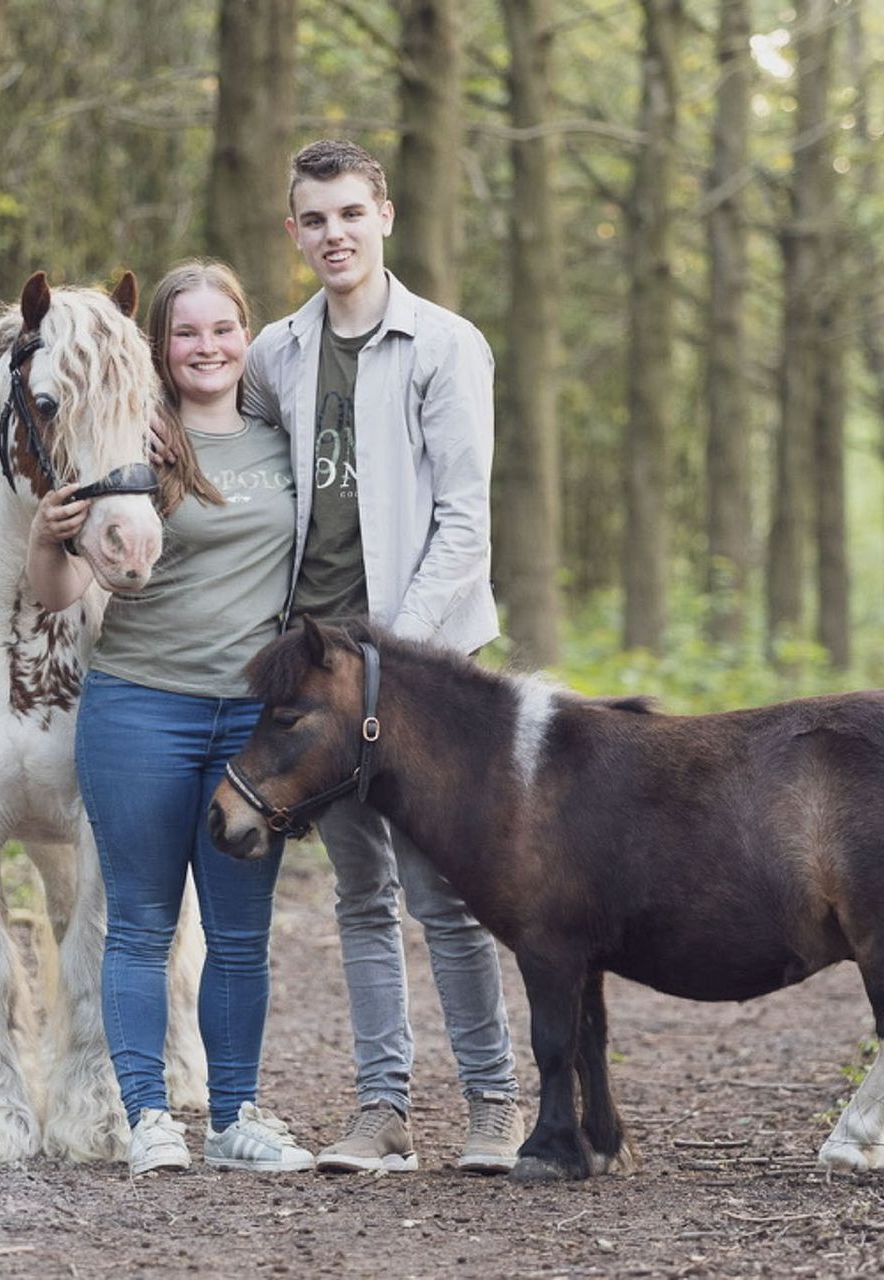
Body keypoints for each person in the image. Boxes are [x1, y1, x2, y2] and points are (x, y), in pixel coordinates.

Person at [239, 139, 523, 1175]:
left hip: (421, 673)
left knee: (444, 895)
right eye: (315, 219)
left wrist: (392, 664)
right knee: (360, 896)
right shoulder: (274, 354)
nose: (335, 235)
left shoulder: (445, 346)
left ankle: (494, 1105)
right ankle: (383, 1111)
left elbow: (464, 522)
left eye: (351, 213)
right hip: (314, 680)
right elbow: (257, 485)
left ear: (385, 216)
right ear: (294, 231)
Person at [29, 261, 313, 1176]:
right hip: (140, 710)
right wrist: (46, 536)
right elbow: (57, 592)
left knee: (239, 931)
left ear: (246, 336)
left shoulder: (284, 444)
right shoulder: (130, 442)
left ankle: (234, 1119)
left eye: (222, 329)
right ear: (161, 346)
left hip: (254, 729)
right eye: (186, 332)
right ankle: (148, 1115)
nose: (206, 347)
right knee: (141, 925)